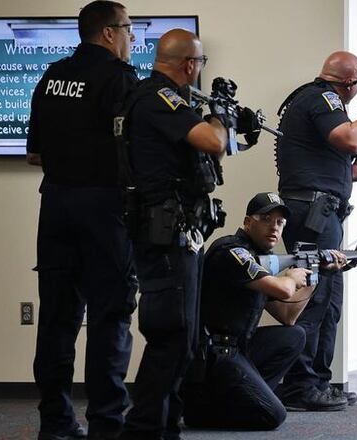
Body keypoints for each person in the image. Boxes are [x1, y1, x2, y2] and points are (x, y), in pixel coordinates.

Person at [117, 28, 248, 440]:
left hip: (178, 231)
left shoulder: (167, 101)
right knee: (171, 337)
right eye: (199, 63)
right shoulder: (160, 96)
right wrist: (220, 116)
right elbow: (211, 139)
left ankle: (164, 426)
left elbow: (213, 147)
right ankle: (143, 430)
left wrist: (237, 129)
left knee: (184, 341)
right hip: (164, 234)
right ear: (190, 64)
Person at [25, 2, 138, 439]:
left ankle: (55, 423)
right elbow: (134, 153)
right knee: (110, 318)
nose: (133, 38)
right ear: (109, 33)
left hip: (55, 205)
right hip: (105, 209)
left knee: (56, 318)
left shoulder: (52, 76)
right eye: (129, 29)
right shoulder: (120, 79)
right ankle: (107, 426)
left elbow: (35, 153)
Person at [180, 192, 348, 430]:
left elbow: (288, 316)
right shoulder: (232, 251)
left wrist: (317, 274)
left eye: (280, 223)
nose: (274, 227)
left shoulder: (259, 261)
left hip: (238, 349)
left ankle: (246, 399)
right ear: (248, 222)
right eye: (266, 219)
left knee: (294, 336)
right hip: (213, 356)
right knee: (274, 416)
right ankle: (204, 412)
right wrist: (291, 276)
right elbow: (283, 290)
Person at [274, 51, 357, 411]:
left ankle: (319, 382)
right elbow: (351, 140)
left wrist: (349, 176)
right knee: (314, 299)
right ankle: (299, 386)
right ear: (350, 85)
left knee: (330, 301)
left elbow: (323, 157)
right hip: (313, 215)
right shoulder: (322, 98)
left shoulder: (319, 100)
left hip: (321, 212)